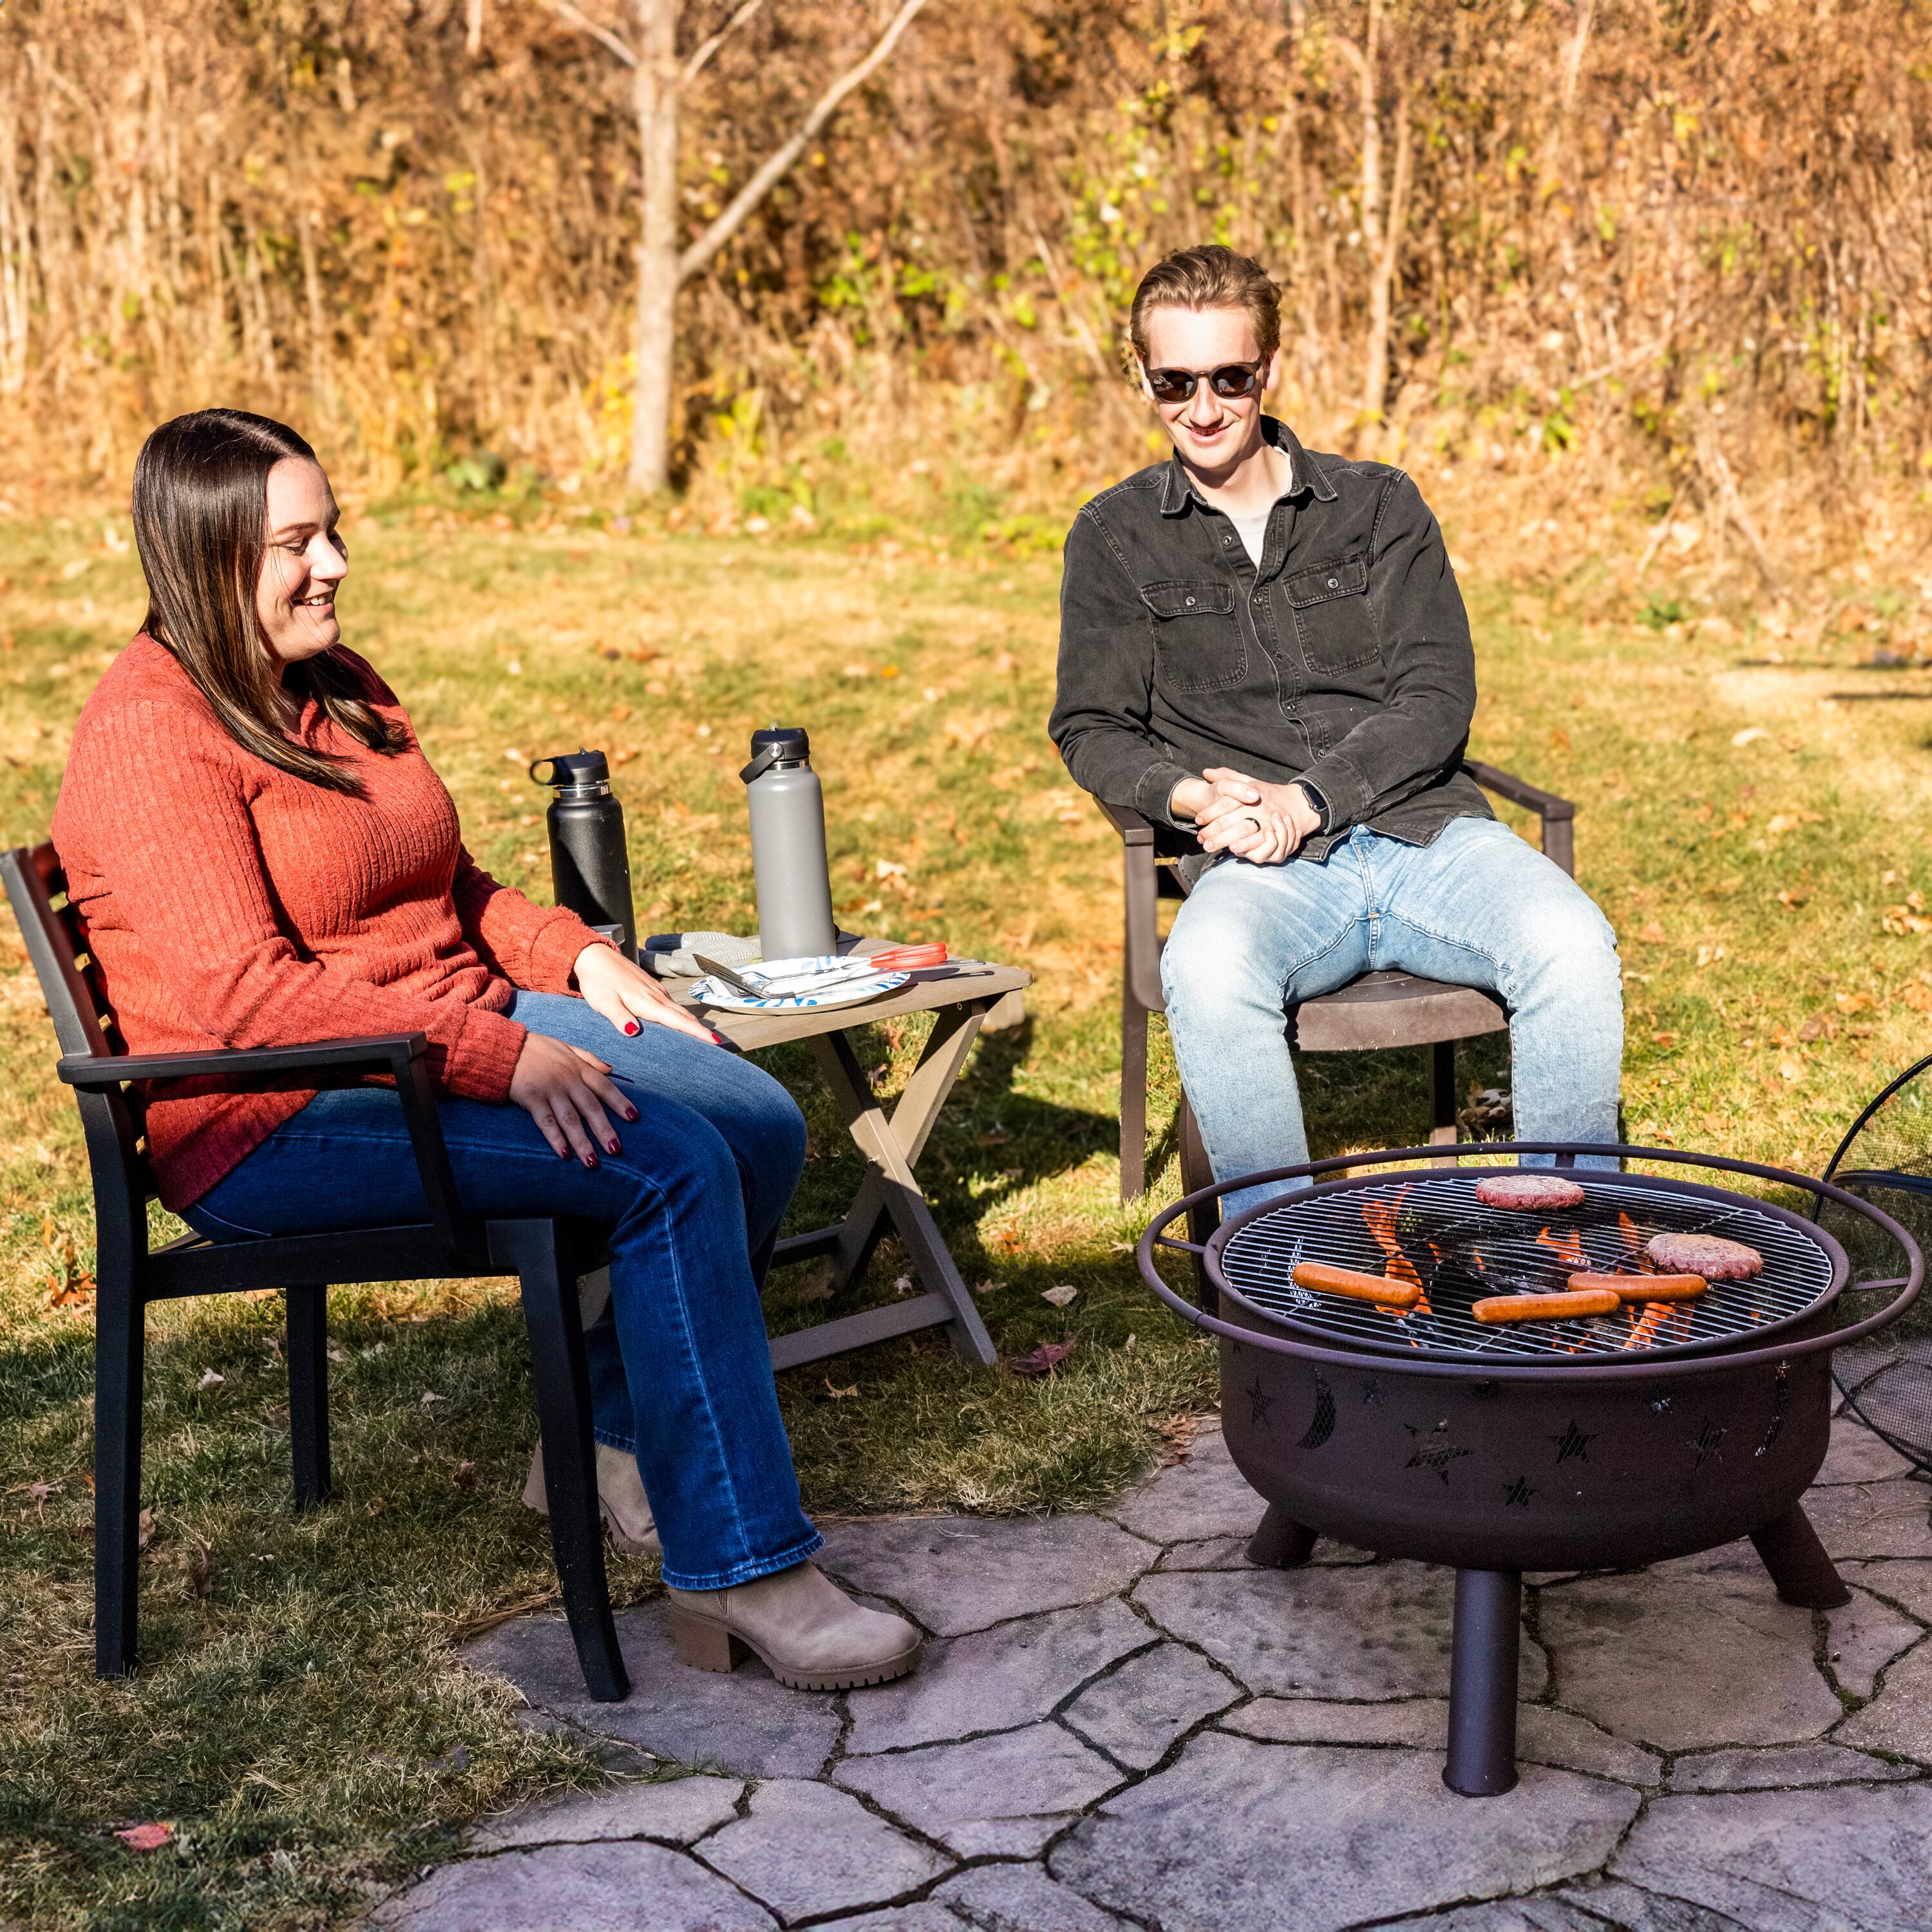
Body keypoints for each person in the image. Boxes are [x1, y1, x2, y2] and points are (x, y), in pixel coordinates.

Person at [52, 408, 920, 1692]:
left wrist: (576, 957)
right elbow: (244, 999)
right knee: (670, 1160)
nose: (335, 562)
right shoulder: (152, 736)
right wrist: (494, 1058)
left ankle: (619, 1435)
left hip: (433, 1037)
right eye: (296, 543)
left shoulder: (335, 684)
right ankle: (742, 1566)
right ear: (203, 557)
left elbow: (444, 885)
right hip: (272, 1118)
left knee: (756, 1119)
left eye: (332, 529)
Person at [1050, 247, 1623, 1214]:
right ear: (1139, 377)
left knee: (1571, 938)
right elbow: (1091, 726)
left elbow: (1438, 695)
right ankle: (1286, 1263)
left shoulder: (1377, 506)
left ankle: (1572, 1247)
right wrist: (1193, 796)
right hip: (1262, 878)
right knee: (1205, 962)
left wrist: (1308, 799)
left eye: (1229, 378)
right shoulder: (1113, 539)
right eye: (1173, 382)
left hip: (1424, 838)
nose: (1203, 407)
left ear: (1268, 369)